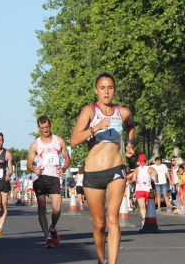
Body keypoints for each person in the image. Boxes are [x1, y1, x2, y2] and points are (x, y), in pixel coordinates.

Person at [70, 72, 135, 264]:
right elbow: (74, 140)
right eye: (102, 88)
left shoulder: (122, 112)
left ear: (114, 89)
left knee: (113, 219)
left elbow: (131, 126)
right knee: (99, 225)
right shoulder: (90, 111)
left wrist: (130, 143)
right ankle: (101, 259)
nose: (106, 92)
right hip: (92, 173)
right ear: (96, 90)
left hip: (116, 170)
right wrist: (95, 128)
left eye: (110, 88)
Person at [27, 115, 71, 248]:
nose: (45, 130)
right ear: (38, 127)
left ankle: (52, 228)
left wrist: (63, 168)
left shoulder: (59, 141)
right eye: (42, 128)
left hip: (54, 178)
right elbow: (29, 163)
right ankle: (47, 237)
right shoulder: (35, 144)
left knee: (57, 209)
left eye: (47, 127)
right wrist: (33, 169)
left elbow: (67, 159)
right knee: (42, 208)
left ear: (50, 125)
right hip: (40, 178)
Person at [131, 154, 158, 226]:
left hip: (139, 190)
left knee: (142, 206)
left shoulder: (137, 169)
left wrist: (138, 180)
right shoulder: (150, 168)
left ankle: (144, 219)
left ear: (139, 161)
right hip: (148, 190)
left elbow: (133, 179)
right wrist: (156, 179)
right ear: (146, 161)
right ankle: (148, 219)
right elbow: (155, 174)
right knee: (147, 206)